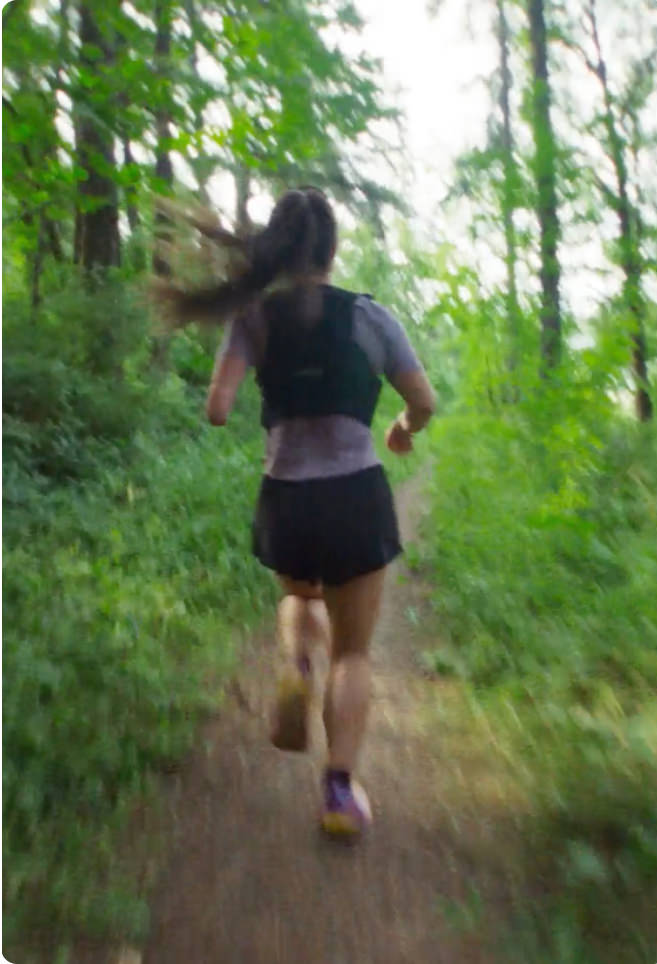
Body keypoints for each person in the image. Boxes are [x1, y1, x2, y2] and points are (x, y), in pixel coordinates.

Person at [157, 187, 436, 837]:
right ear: (333, 251)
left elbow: (217, 408)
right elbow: (422, 400)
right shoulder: (370, 317)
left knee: (300, 600)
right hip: (356, 495)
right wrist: (402, 428)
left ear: (277, 251)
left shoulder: (252, 319)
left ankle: (293, 668)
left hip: (287, 496)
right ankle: (338, 792)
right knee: (355, 653)